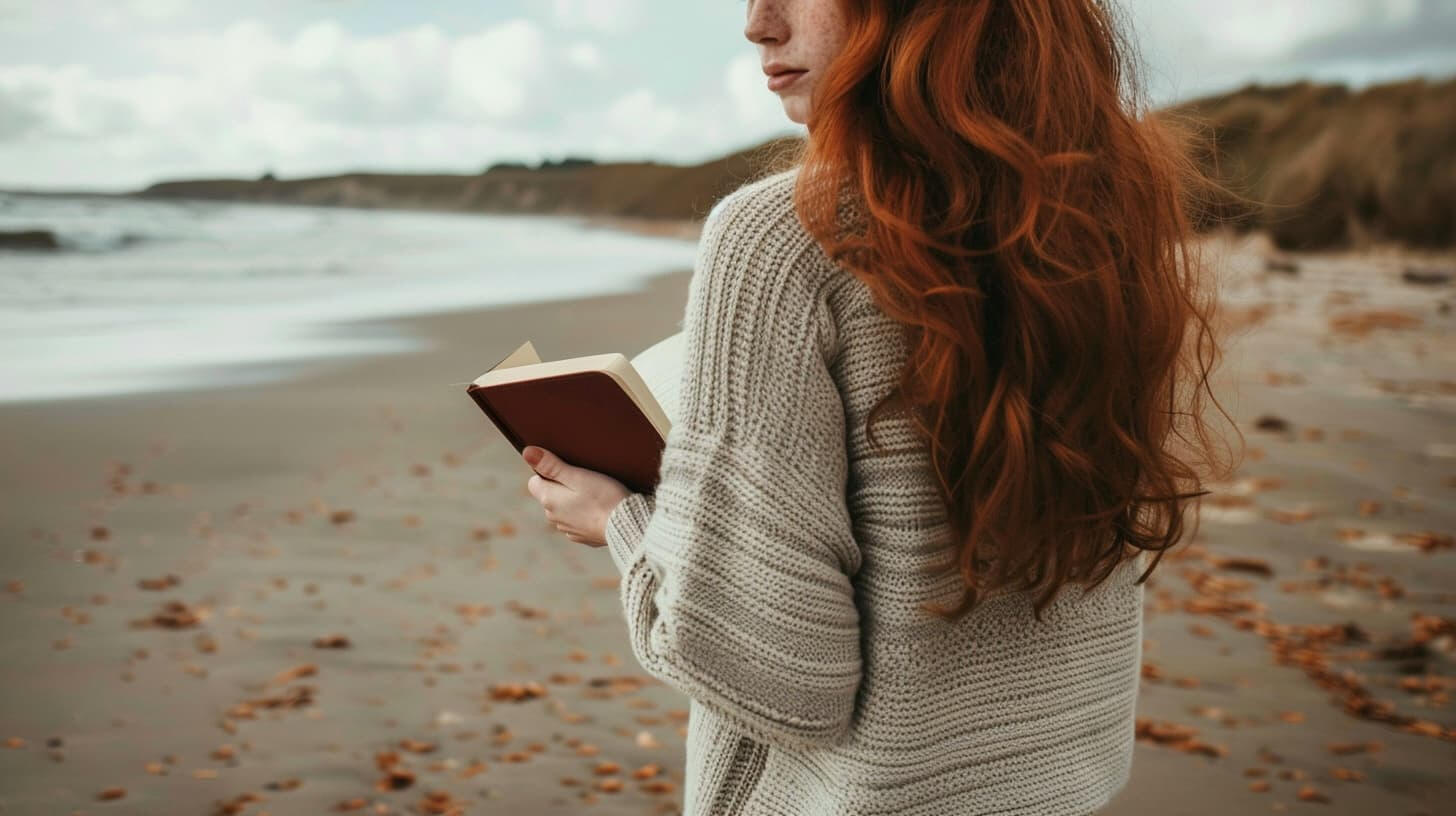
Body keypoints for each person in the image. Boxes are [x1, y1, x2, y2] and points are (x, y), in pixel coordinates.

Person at [521, 0, 1239, 813]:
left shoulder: (783, 240)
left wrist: (621, 522)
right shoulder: (1101, 220)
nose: (758, 24)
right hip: (1052, 783)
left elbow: (783, 679)